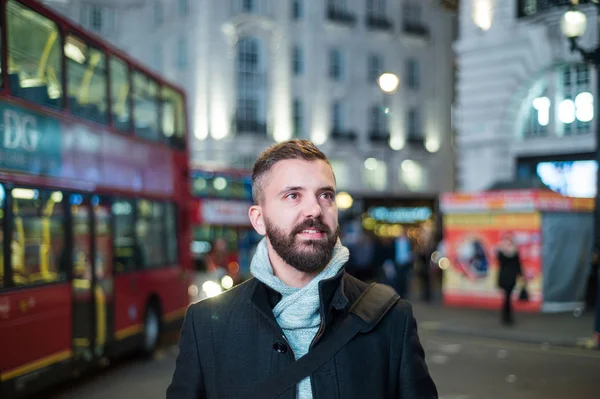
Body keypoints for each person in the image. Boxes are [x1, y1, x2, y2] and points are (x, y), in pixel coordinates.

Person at [167, 140, 438, 398]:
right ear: (258, 219)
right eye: (293, 195)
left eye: (325, 195)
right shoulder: (206, 325)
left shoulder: (391, 319)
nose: (315, 209)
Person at [496, 234, 523, 326]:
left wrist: (521, 275)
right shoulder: (502, 252)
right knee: (507, 297)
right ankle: (507, 317)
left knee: (507, 297)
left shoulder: (512, 252)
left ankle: (506, 317)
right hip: (506, 277)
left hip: (510, 277)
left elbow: (518, 265)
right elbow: (501, 261)